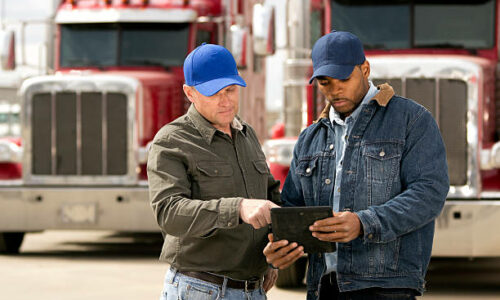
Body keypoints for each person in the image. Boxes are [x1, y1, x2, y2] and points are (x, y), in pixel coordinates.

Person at [263, 31, 449, 300]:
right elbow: (292, 208)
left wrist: (364, 223)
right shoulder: (310, 138)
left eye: (344, 79)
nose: (334, 89)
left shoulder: (411, 120)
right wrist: (277, 248)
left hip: (387, 287)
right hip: (324, 287)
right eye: (325, 83)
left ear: (365, 69)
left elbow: (429, 193)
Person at [147, 43, 280, 300]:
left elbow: (271, 196)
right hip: (200, 290)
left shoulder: (247, 135)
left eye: (231, 90)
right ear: (190, 93)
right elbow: (169, 212)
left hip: (253, 290)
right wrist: (238, 208)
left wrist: (273, 256)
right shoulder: (172, 140)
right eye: (213, 93)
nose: (225, 101)